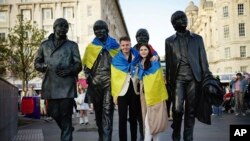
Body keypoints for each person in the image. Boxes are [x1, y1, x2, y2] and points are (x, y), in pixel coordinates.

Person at [165, 11, 217, 141]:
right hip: (178, 79)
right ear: (174, 24)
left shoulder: (198, 39)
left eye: (184, 17)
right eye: (179, 19)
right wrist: (169, 83)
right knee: (177, 109)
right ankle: (176, 133)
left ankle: (188, 137)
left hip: (194, 79)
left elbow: (203, 61)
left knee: (191, 110)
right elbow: (169, 64)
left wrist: (208, 78)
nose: (183, 20)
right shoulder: (169, 41)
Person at [34, 18, 82, 141]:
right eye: (60, 26)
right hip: (51, 84)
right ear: (54, 28)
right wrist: (43, 66)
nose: (63, 28)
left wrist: (69, 70)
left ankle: (66, 133)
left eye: (66, 26)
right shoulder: (45, 45)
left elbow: (78, 64)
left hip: (66, 85)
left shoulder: (72, 45)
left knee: (66, 116)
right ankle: (67, 129)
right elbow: (37, 63)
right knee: (53, 113)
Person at [82, 20, 119, 141]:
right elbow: (86, 67)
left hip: (110, 83)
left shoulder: (115, 46)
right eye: (96, 29)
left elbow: (122, 64)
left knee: (107, 112)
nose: (98, 31)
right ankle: (101, 136)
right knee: (98, 113)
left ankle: (107, 138)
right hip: (95, 84)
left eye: (101, 29)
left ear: (107, 30)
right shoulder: (91, 47)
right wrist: (89, 77)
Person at [111, 36, 140, 141]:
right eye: (123, 45)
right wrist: (115, 94)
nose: (125, 47)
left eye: (127, 45)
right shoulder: (116, 59)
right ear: (120, 46)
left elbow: (148, 55)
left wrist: (154, 56)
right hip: (122, 91)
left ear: (130, 44)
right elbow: (114, 78)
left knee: (133, 119)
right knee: (122, 119)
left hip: (134, 91)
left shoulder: (137, 55)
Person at [138, 44, 168, 141]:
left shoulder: (154, 62)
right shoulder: (141, 63)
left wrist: (157, 56)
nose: (143, 51)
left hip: (155, 98)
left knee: (149, 126)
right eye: (141, 50)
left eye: (145, 49)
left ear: (149, 51)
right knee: (153, 128)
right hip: (146, 97)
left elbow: (158, 80)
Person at [133, 28, 159, 141]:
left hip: (148, 88)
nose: (142, 37)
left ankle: (150, 136)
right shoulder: (132, 50)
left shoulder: (152, 51)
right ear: (136, 38)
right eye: (140, 35)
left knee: (150, 114)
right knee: (139, 115)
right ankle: (142, 135)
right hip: (135, 88)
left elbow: (156, 65)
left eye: (145, 36)